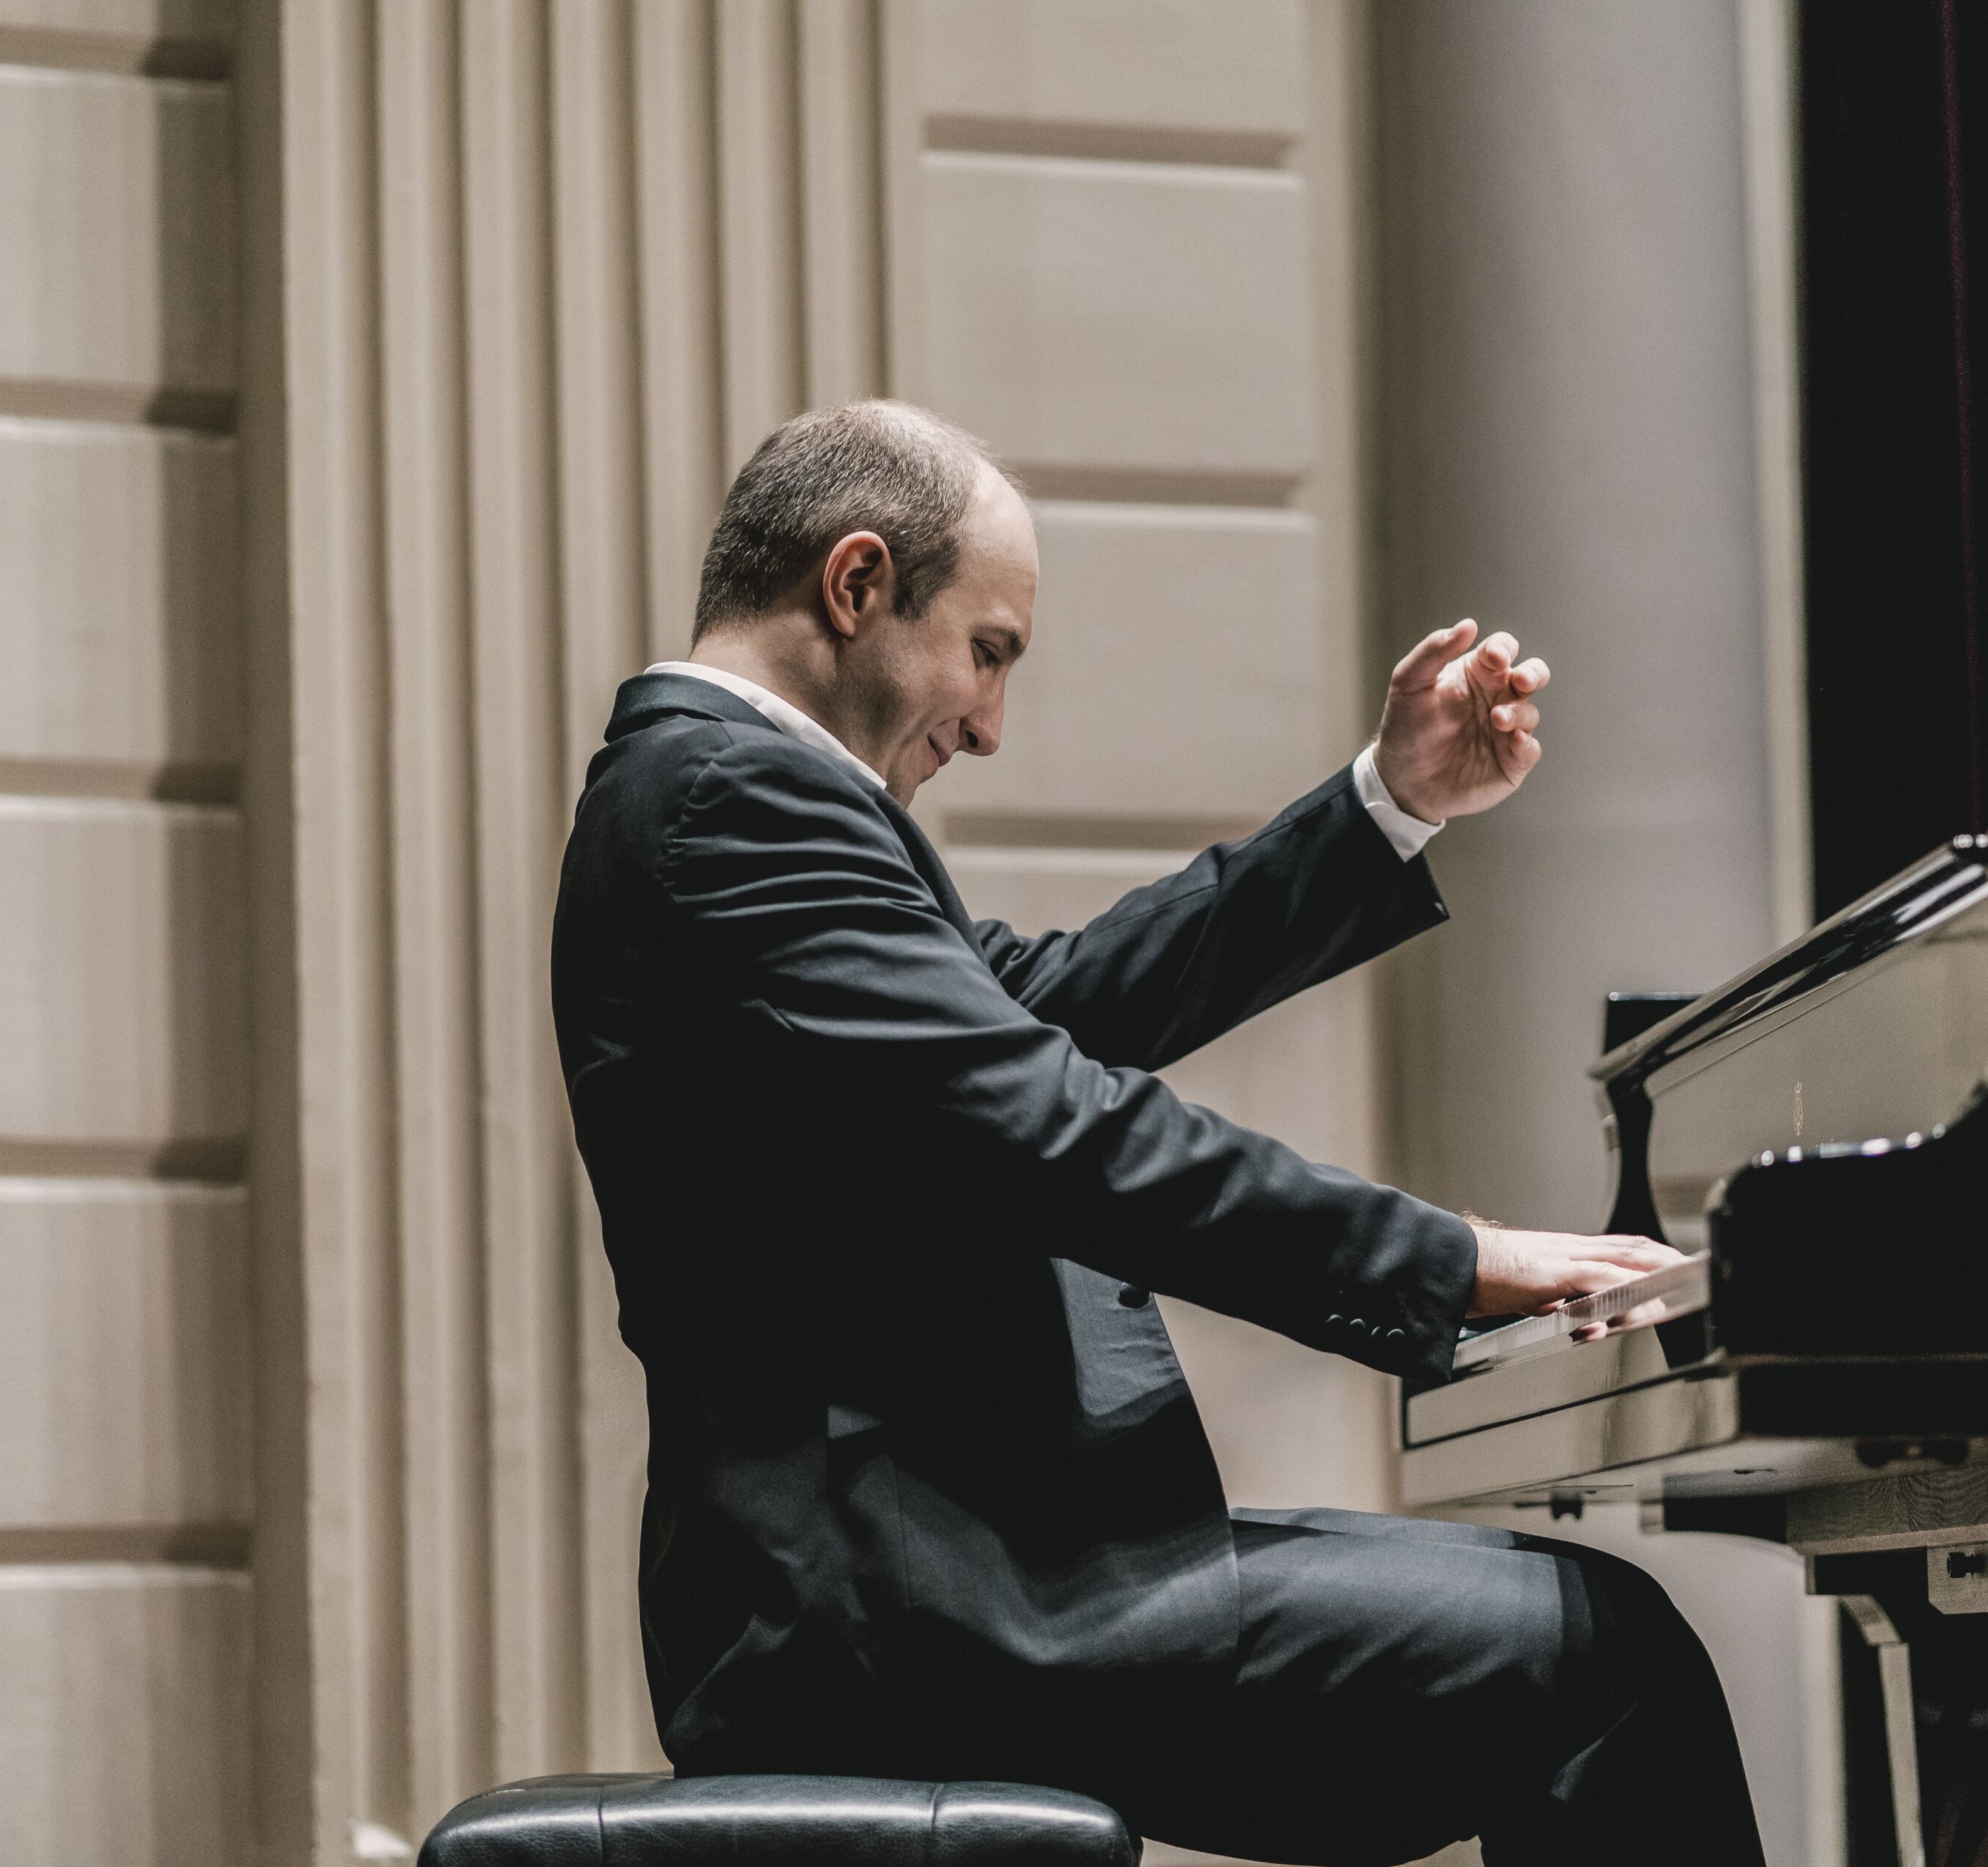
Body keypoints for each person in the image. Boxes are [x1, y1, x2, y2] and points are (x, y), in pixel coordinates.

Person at [552, 401, 1766, 1866]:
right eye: (987, 651)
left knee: (1579, 1640)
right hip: (921, 1612)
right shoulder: (730, 801)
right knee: (1597, 1659)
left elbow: (1051, 1008)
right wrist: (1458, 1258)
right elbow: (1063, 1126)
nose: (990, 724)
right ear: (857, 584)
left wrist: (1387, 805)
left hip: (943, 1578)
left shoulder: (724, 799)